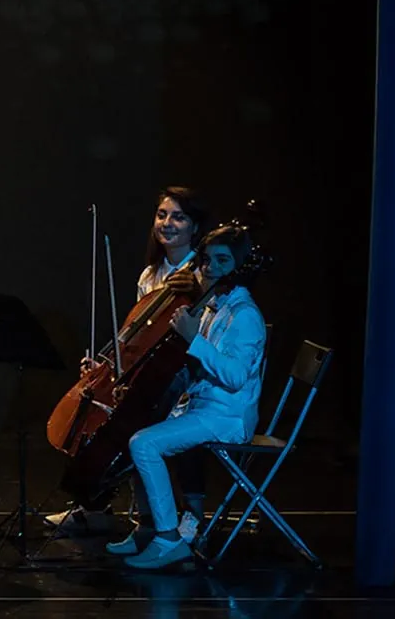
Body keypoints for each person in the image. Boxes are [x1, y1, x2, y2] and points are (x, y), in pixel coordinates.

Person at [48, 187, 213, 537]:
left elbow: (208, 333)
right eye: (162, 215)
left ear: (195, 227)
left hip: (189, 379)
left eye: (179, 217)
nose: (167, 223)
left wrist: (197, 291)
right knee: (90, 411)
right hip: (150, 375)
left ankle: (174, 517)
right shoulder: (150, 275)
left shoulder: (203, 275)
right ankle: (97, 506)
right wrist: (109, 365)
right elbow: (136, 335)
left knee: (134, 423)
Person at [108, 224, 265, 569]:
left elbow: (235, 377)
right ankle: (149, 527)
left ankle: (168, 540)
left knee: (144, 443)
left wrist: (194, 339)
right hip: (203, 407)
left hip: (227, 417)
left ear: (239, 265)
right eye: (206, 260)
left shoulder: (245, 315)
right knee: (136, 425)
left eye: (222, 261)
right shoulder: (216, 305)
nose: (210, 269)